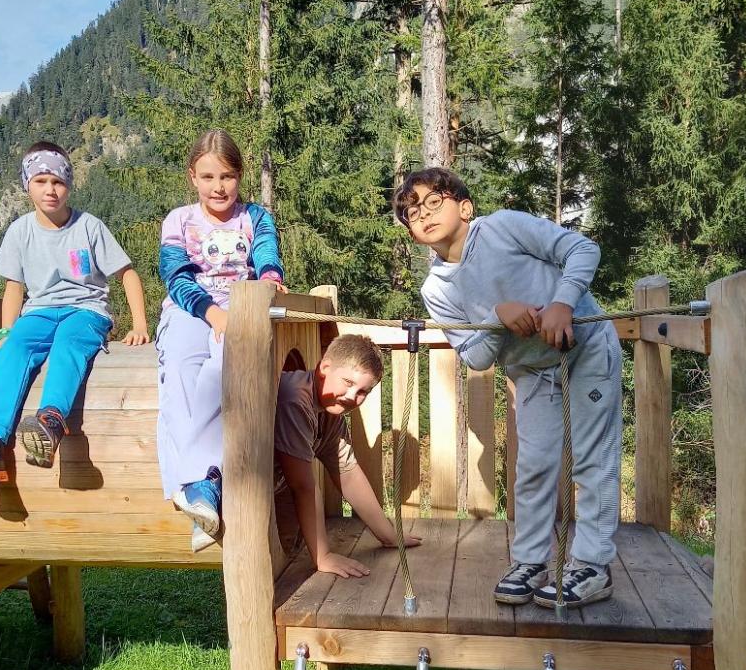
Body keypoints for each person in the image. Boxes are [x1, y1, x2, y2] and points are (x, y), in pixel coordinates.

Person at [395, 167, 622, 608]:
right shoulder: (436, 289)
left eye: (433, 202)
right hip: (532, 371)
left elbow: (582, 249)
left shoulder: (503, 227)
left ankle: (593, 566)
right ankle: (531, 561)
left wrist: (562, 303)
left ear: (465, 207)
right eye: (412, 213)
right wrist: (498, 318)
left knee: (592, 461)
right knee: (533, 466)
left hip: (586, 349)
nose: (423, 214)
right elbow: (475, 356)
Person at [0, 141, 149, 485]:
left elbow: (126, 273)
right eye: (40, 181)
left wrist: (140, 324)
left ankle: (50, 421)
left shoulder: (89, 227)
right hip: (38, 312)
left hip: (86, 310)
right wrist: (6, 333)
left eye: (58, 182)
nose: (50, 190)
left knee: (69, 344)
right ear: (27, 185)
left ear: (69, 185)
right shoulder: (20, 231)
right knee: (12, 351)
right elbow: (14, 287)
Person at [156, 130, 284, 548]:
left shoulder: (255, 217)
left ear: (239, 176)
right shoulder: (178, 220)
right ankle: (199, 487)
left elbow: (266, 254)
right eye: (208, 177)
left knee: (220, 370)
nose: (218, 187)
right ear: (193, 176)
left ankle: (202, 489)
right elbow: (176, 275)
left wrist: (269, 279)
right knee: (180, 369)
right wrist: (211, 314)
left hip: (242, 304)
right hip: (191, 307)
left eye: (227, 176)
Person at [268, 334, 421, 573]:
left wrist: (388, 535)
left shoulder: (330, 414)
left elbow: (347, 472)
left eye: (363, 391)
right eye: (348, 382)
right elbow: (302, 486)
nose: (352, 396)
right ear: (325, 368)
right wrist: (323, 556)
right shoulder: (295, 398)